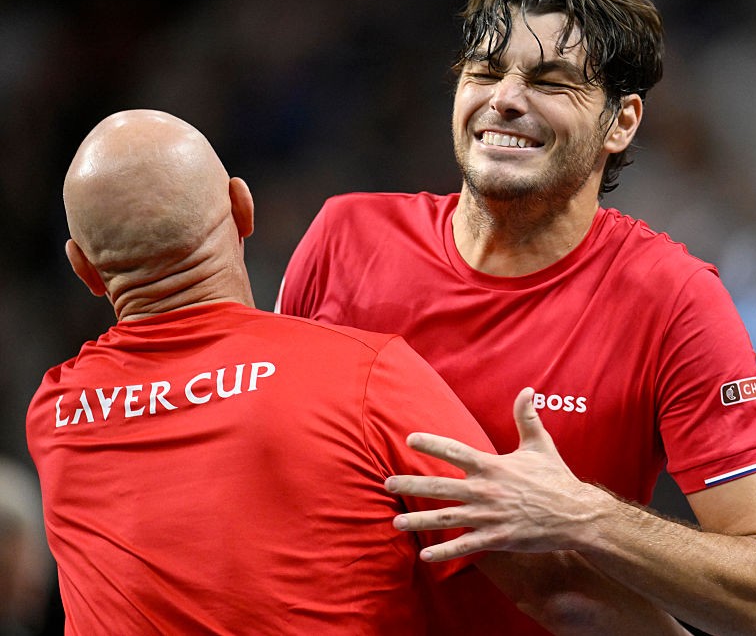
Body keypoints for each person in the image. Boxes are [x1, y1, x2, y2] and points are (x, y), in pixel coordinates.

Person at [275, 0, 756, 636]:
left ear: (621, 123)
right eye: (485, 72)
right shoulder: (343, 238)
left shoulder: (675, 300)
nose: (505, 98)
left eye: (550, 81)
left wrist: (581, 514)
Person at [25, 109, 689, 635]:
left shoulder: (53, 415)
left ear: (84, 268)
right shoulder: (364, 373)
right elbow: (557, 589)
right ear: (242, 207)